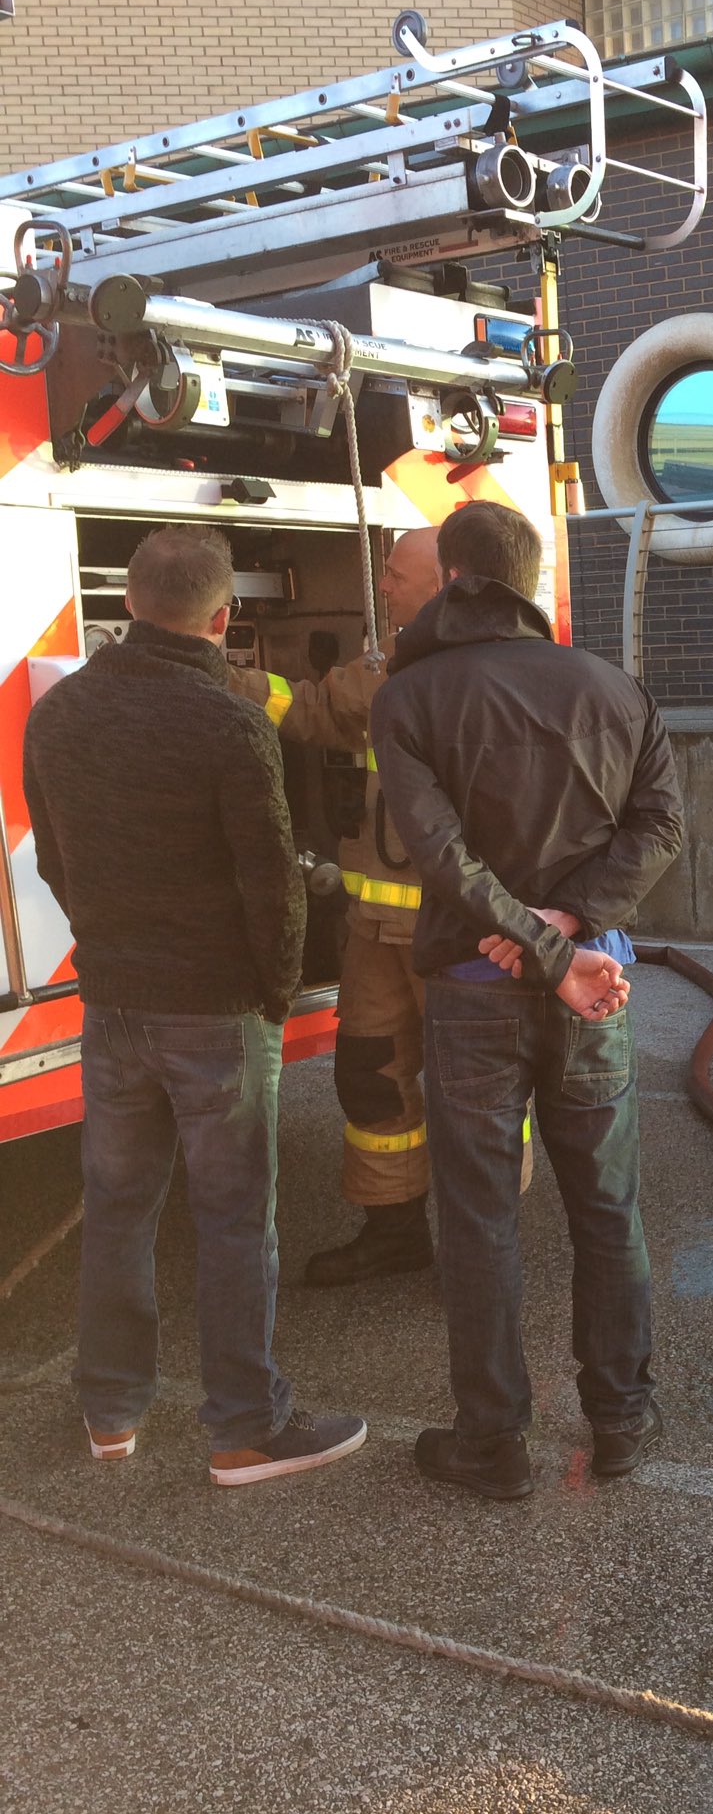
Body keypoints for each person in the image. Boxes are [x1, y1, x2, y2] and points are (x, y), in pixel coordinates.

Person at [21, 524, 365, 1485]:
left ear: (129, 603)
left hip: (115, 998)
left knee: (119, 1208)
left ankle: (111, 1413)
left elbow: (53, 856)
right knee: (230, 1216)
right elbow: (274, 884)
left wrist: (109, 941)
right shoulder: (229, 722)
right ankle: (246, 1428)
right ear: (225, 618)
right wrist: (276, 989)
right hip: (214, 1006)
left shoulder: (61, 715)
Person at [370, 500, 685, 1501]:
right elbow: (662, 822)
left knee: (478, 1221)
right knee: (607, 1206)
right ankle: (623, 1419)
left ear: (454, 573)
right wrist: (569, 929)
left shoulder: (408, 696)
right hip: (595, 982)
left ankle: (492, 1441)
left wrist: (534, 939)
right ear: (529, 578)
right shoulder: (614, 687)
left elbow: (440, 853)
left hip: (473, 994)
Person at [230, 525, 534, 1286]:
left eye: (397, 576)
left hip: (463, 934)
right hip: (376, 934)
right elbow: (303, 710)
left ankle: (484, 1252)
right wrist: (206, 673)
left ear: (450, 580)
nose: (384, 588)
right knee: (370, 1074)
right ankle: (394, 1229)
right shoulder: (385, 671)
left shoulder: (494, 677)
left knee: (477, 1095)